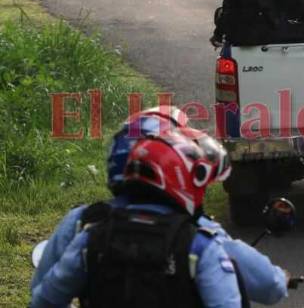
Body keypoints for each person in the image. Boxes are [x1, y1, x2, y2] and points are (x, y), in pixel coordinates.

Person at [30, 110, 290, 307]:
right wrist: (282, 278)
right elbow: (268, 285)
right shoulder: (199, 239)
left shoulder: (86, 225)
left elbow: (43, 296)